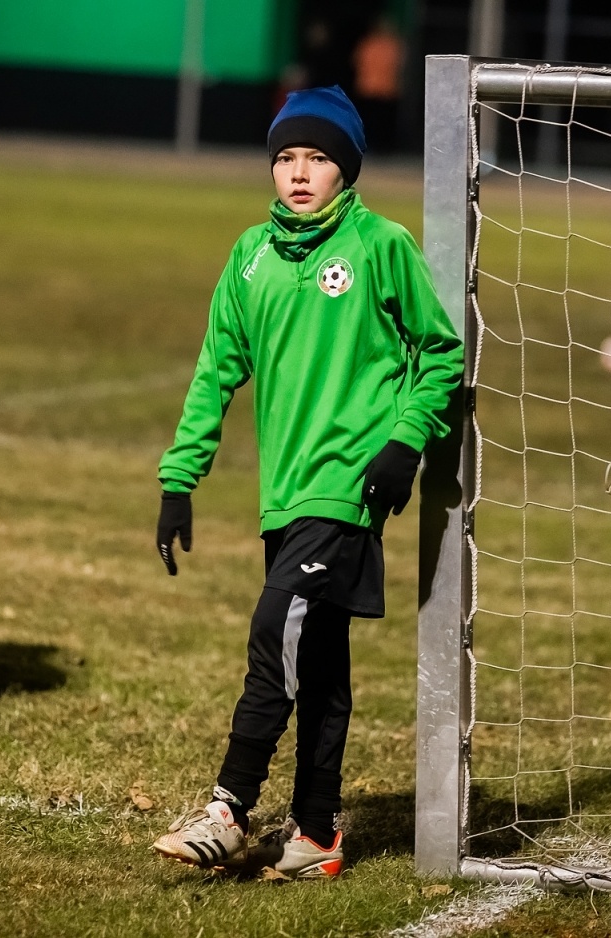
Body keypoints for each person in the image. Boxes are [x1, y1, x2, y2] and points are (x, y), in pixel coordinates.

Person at [150, 86, 463, 879]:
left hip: (348, 491)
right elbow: (216, 371)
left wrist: (404, 441)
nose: (298, 172)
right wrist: (180, 478)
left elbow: (442, 352)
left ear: (345, 170)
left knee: (275, 632)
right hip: (283, 498)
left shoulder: (379, 244)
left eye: (318, 158)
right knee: (318, 664)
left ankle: (228, 808)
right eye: (286, 156)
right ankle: (318, 834)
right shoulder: (249, 255)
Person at [351, 16, 404, 151]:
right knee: (371, 121)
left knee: (384, 122)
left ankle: (383, 147)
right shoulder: (370, 44)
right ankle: (374, 146)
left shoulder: (392, 45)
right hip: (371, 88)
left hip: (385, 89)